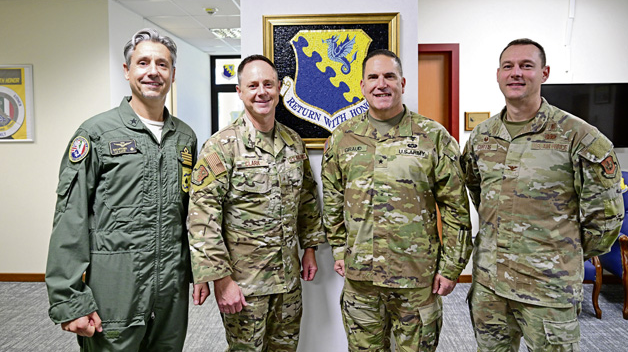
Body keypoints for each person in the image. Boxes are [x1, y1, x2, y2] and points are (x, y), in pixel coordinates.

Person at [45, 28, 210, 350]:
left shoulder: (184, 138)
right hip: (115, 287)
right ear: (127, 70)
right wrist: (69, 299)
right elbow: (70, 217)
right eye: (143, 62)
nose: (153, 72)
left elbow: (190, 214)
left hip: (170, 289)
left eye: (162, 64)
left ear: (173, 74)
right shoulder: (97, 133)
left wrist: (198, 271)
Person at [461, 38, 625, 351]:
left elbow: (605, 218)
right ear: (498, 74)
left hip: (548, 288)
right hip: (490, 284)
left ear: (544, 73)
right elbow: (478, 192)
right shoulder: (483, 135)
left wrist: (560, 252)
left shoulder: (579, 136)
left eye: (526, 66)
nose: (516, 73)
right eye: (508, 66)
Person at [322, 49, 472, 351]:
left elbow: (455, 208)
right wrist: (338, 248)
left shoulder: (433, 136)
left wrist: (451, 267)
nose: (382, 84)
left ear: (402, 83)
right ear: (362, 86)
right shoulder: (342, 138)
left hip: (416, 278)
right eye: (373, 77)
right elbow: (332, 198)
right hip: (361, 279)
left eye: (389, 76)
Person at [187, 54, 325, 351]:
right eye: (253, 85)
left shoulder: (293, 141)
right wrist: (221, 280)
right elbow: (202, 217)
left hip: (288, 281)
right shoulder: (221, 146)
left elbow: (307, 199)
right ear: (240, 92)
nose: (261, 92)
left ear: (279, 89)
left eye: (268, 84)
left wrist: (310, 249)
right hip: (244, 285)